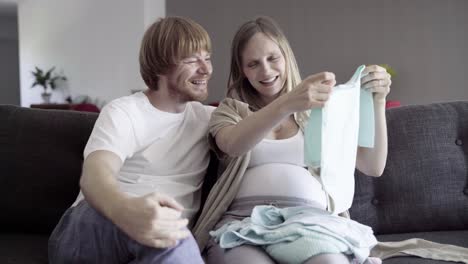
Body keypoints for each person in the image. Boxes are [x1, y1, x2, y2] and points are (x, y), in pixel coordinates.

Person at [192, 16, 391, 264]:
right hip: (241, 223)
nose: (265, 70)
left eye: (272, 58)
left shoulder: (321, 110)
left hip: (310, 221)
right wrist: (286, 103)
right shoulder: (229, 111)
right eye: (253, 64)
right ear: (242, 71)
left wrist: (378, 100)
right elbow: (232, 144)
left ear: (286, 56)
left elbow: (372, 166)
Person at [48, 16, 214, 263]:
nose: (206, 69)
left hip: (158, 243)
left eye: (207, 58)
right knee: (169, 232)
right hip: (92, 226)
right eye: (191, 60)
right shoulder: (124, 111)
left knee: (169, 232)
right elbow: (95, 174)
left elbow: (272, 126)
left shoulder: (209, 118)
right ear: (159, 66)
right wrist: (125, 210)